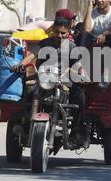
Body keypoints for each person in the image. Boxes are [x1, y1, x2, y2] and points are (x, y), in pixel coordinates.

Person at [12, 18, 88, 147]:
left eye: (63, 33)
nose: (59, 36)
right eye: (57, 32)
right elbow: (31, 56)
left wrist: (78, 72)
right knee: (28, 93)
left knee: (80, 96)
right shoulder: (44, 44)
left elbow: (78, 65)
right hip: (43, 80)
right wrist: (20, 65)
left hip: (64, 82)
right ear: (53, 31)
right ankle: (24, 125)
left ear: (69, 32)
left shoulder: (72, 47)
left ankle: (77, 132)